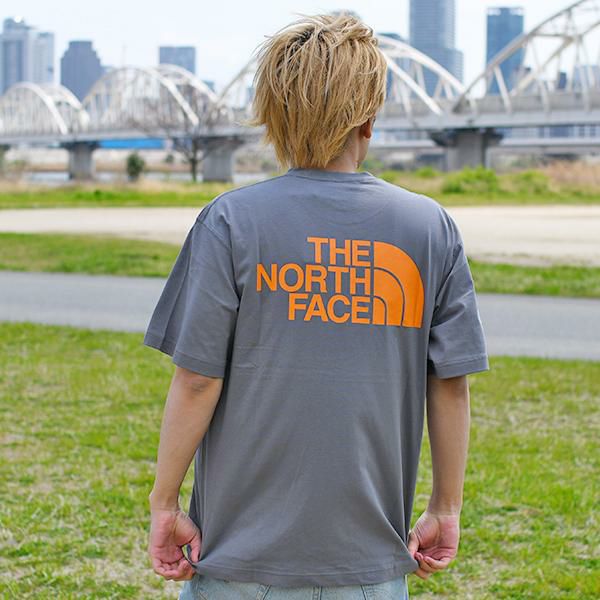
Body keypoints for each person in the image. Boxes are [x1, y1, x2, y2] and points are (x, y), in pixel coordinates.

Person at [143, 12, 489, 600]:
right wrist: (445, 507)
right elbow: (450, 385)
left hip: (238, 559)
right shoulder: (430, 228)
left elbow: (198, 380)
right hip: (369, 566)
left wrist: (165, 503)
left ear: (272, 117)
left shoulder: (230, 221)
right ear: (369, 118)